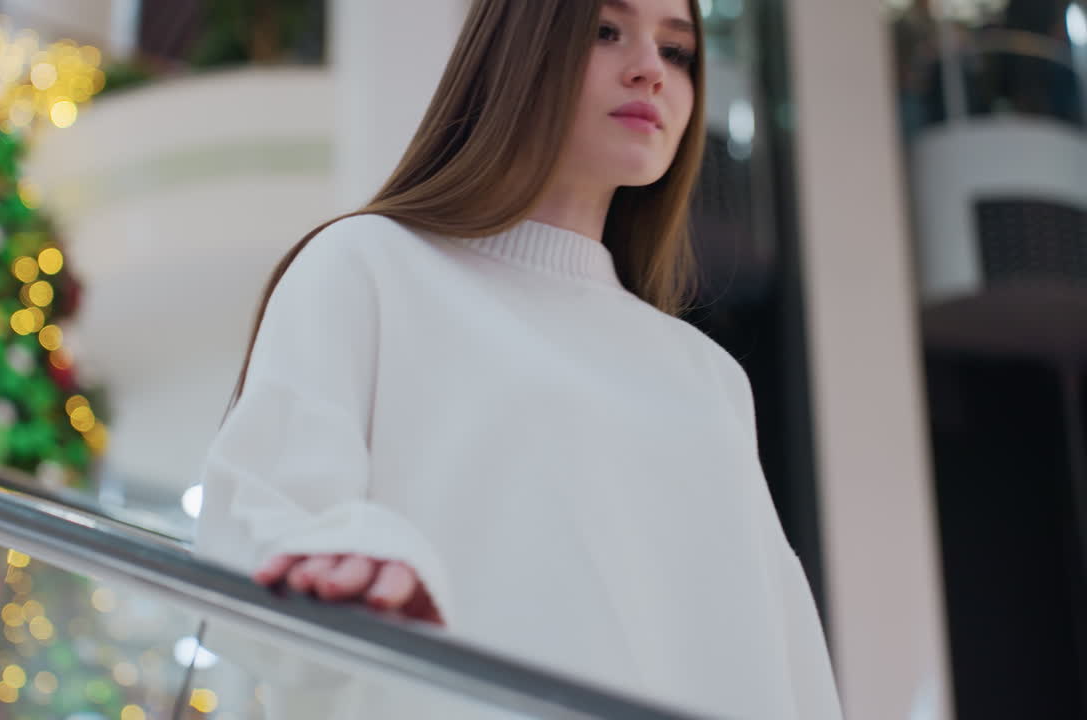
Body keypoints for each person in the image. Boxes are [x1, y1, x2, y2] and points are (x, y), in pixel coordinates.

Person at [195, 0, 845, 718]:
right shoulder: (370, 265)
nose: (650, 71)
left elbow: (780, 654)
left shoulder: (708, 376)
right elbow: (258, 522)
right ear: (517, 48)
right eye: (606, 32)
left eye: (678, 51)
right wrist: (358, 562)